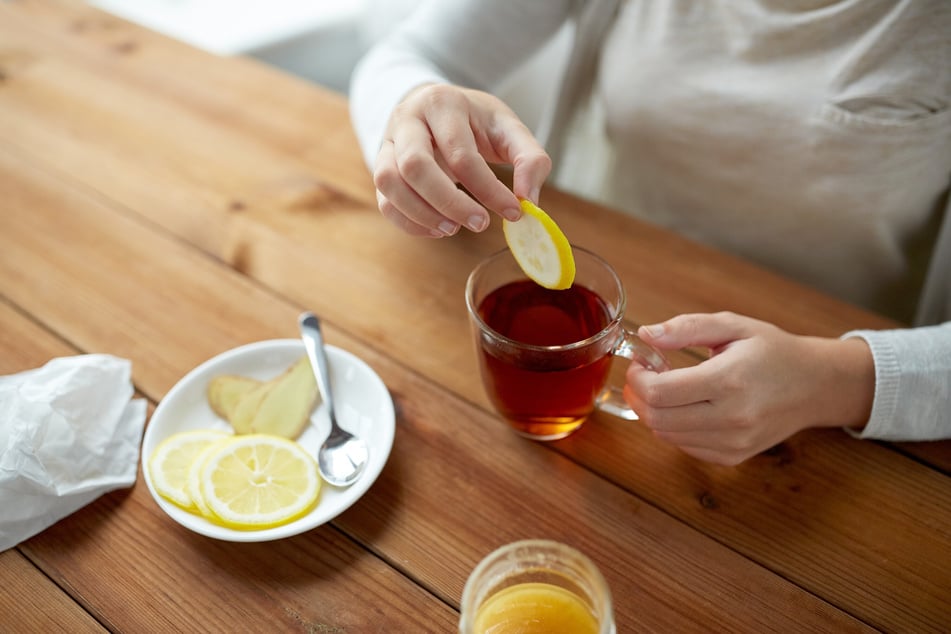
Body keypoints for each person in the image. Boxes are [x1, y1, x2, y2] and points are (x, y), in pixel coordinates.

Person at [349, 0, 951, 465]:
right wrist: (414, 114)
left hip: (836, 366)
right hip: (620, 265)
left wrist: (841, 380)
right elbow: (405, 55)